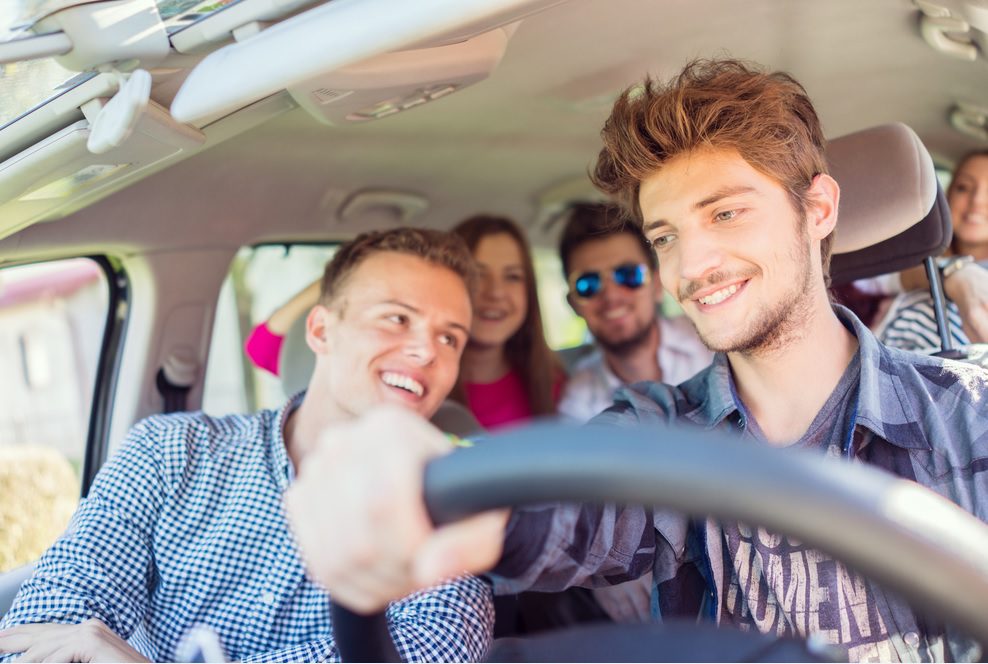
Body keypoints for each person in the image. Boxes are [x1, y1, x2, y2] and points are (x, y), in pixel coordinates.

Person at [284, 59, 988, 662]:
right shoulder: (658, 431)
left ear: (819, 209)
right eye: (666, 237)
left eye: (725, 213)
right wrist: (439, 489)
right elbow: (566, 506)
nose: (693, 266)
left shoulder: (968, 409)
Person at [0, 229, 494, 662]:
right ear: (321, 330)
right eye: (397, 319)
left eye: (450, 338)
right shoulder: (169, 450)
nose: (426, 351)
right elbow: (46, 624)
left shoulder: (453, 500)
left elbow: (430, 650)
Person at [557, 202, 712, 424]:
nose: (611, 295)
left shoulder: (711, 341)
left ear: (657, 285)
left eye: (628, 274)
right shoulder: (578, 401)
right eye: (587, 284)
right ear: (573, 304)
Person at [449, 215, 564, 430]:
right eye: (477, 275)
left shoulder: (556, 387)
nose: (496, 292)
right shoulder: (421, 389)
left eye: (512, 276)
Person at [874, 150, 988, 351]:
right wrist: (954, 275)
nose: (977, 201)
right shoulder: (912, 251)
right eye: (963, 188)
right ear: (947, 195)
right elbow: (880, 278)